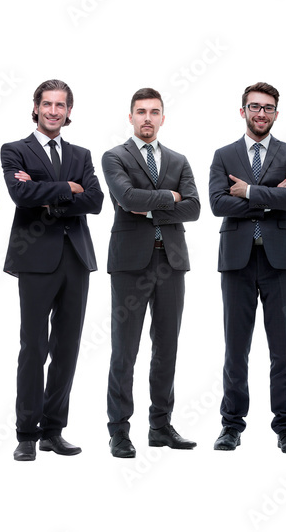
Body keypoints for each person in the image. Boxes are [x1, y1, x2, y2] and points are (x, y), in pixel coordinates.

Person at [2, 79, 103, 461]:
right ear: (36, 107)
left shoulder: (82, 153)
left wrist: (53, 194)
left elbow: (94, 201)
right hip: (34, 259)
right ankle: (26, 433)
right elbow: (19, 194)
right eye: (47, 104)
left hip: (76, 258)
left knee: (67, 348)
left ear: (69, 111)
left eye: (61, 105)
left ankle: (53, 430)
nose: (53, 111)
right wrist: (69, 189)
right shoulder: (15, 150)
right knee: (34, 347)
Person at [101, 87, 201, 458]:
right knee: (124, 350)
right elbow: (126, 198)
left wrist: (152, 205)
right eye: (140, 111)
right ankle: (119, 431)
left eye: (154, 112)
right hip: (130, 263)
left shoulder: (179, 160)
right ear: (130, 117)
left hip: (171, 262)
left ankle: (160, 426)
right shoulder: (115, 156)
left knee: (167, 347)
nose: (147, 118)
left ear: (162, 117)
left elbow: (193, 208)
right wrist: (170, 198)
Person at [210, 82, 286, 453]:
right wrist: (272, 196)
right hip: (236, 260)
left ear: (276, 114)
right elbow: (218, 203)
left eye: (268, 108)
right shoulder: (223, 155)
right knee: (236, 348)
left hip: (279, 260)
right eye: (255, 107)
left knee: (283, 349)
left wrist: (249, 192)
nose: (261, 113)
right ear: (243, 111)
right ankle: (231, 425)